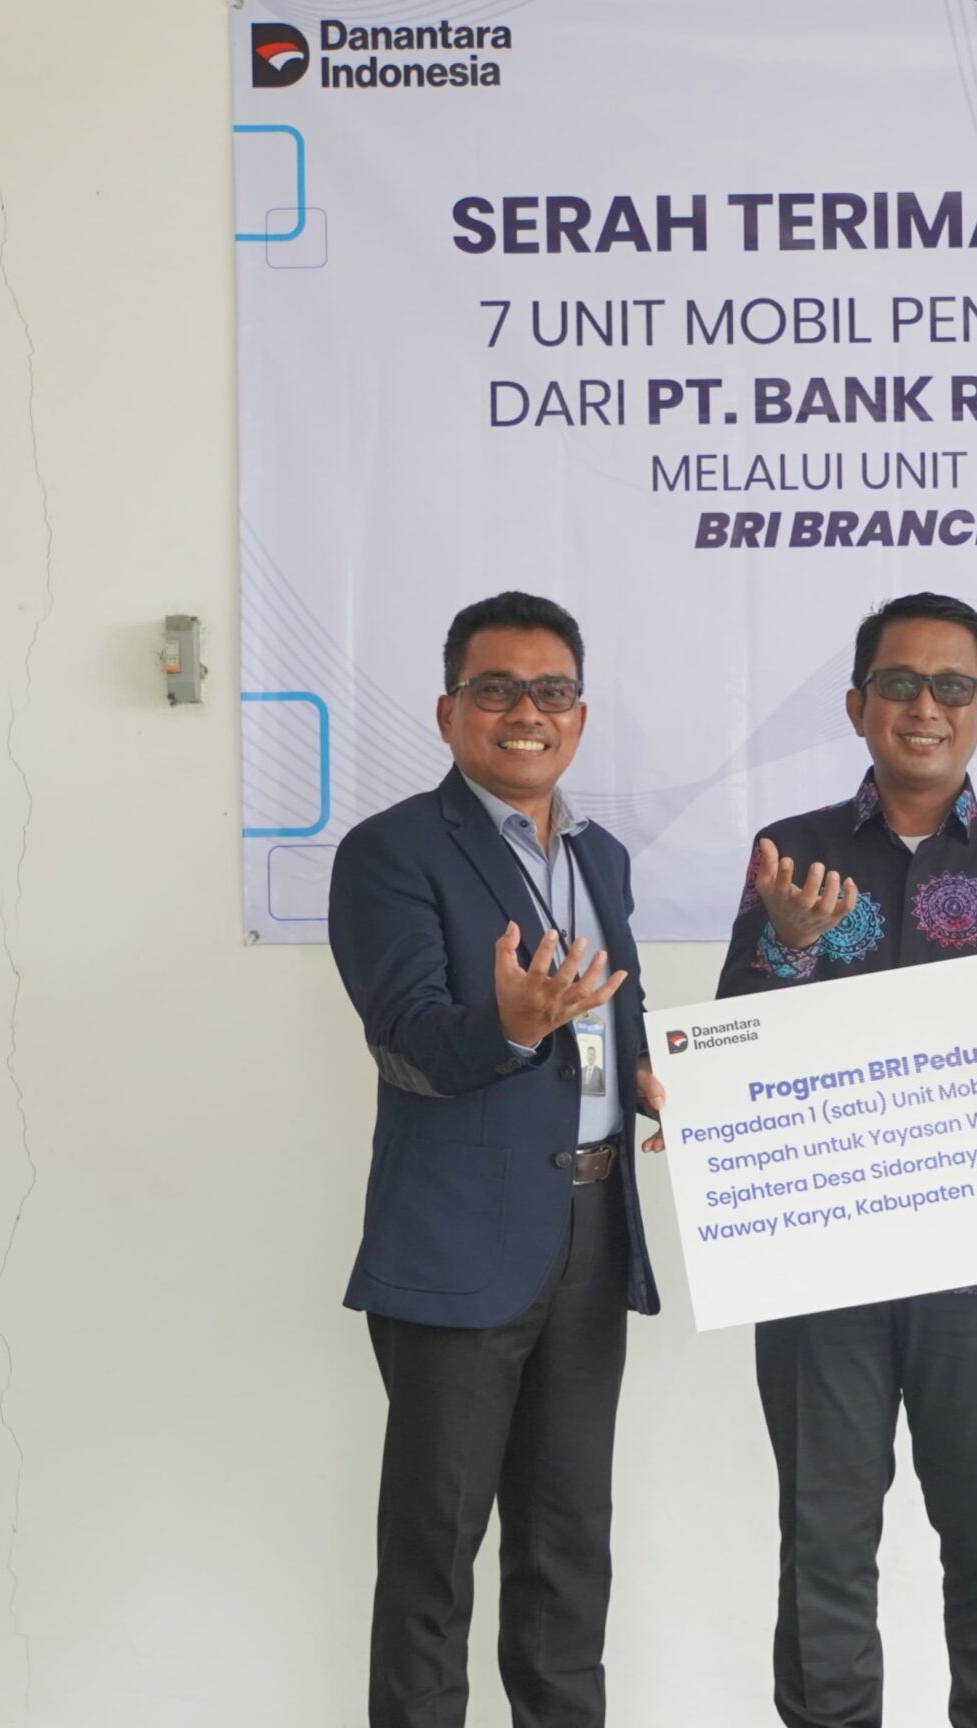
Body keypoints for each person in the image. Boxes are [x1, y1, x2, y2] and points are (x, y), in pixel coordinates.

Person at [713, 592, 977, 1728]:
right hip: (819, 1267)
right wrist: (787, 946)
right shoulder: (790, 859)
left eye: (952, 687)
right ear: (856, 705)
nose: (925, 707)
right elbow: (731, 1053)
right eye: (898, 684)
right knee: (824, 1543)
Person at [327, 590, 667, 1728]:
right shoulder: (391, 853)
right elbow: (408, 1040)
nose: (528, 713)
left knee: (569, 1546)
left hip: (593, 1230)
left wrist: (650, 1075)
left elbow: (614, 1016)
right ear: (448, 712)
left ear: (580, 715)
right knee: (435, 1557)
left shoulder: (601, 856)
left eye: (552, 691)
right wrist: (512, 1027)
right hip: (460, 1243)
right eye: (496, 690)